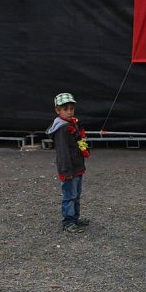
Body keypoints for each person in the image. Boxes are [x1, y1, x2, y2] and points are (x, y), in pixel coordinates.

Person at [46, 92, 90, 233]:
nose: (70, 112)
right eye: (65, 109)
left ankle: (75, 218)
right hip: (69, 169)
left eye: (71, 108)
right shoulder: (62, 129)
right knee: (69, 196)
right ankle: (68, 221)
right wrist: (66, 171)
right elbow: (63, 153)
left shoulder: (73, 124)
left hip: (77, 167)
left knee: (76, 194)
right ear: (58, 110)